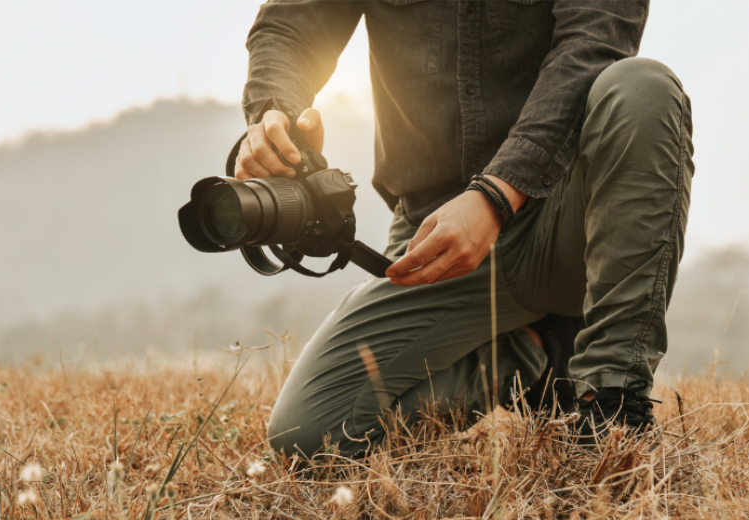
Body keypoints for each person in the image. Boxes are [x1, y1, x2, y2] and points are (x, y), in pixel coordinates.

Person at [234, 0, 693, 456]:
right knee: (309, 437)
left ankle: (611, 407)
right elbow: (290, 25)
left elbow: (594, 45)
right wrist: (275, 111)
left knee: (644, 89)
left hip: (568, 222)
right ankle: (531, 352)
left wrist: (496, 194)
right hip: (432, 234)